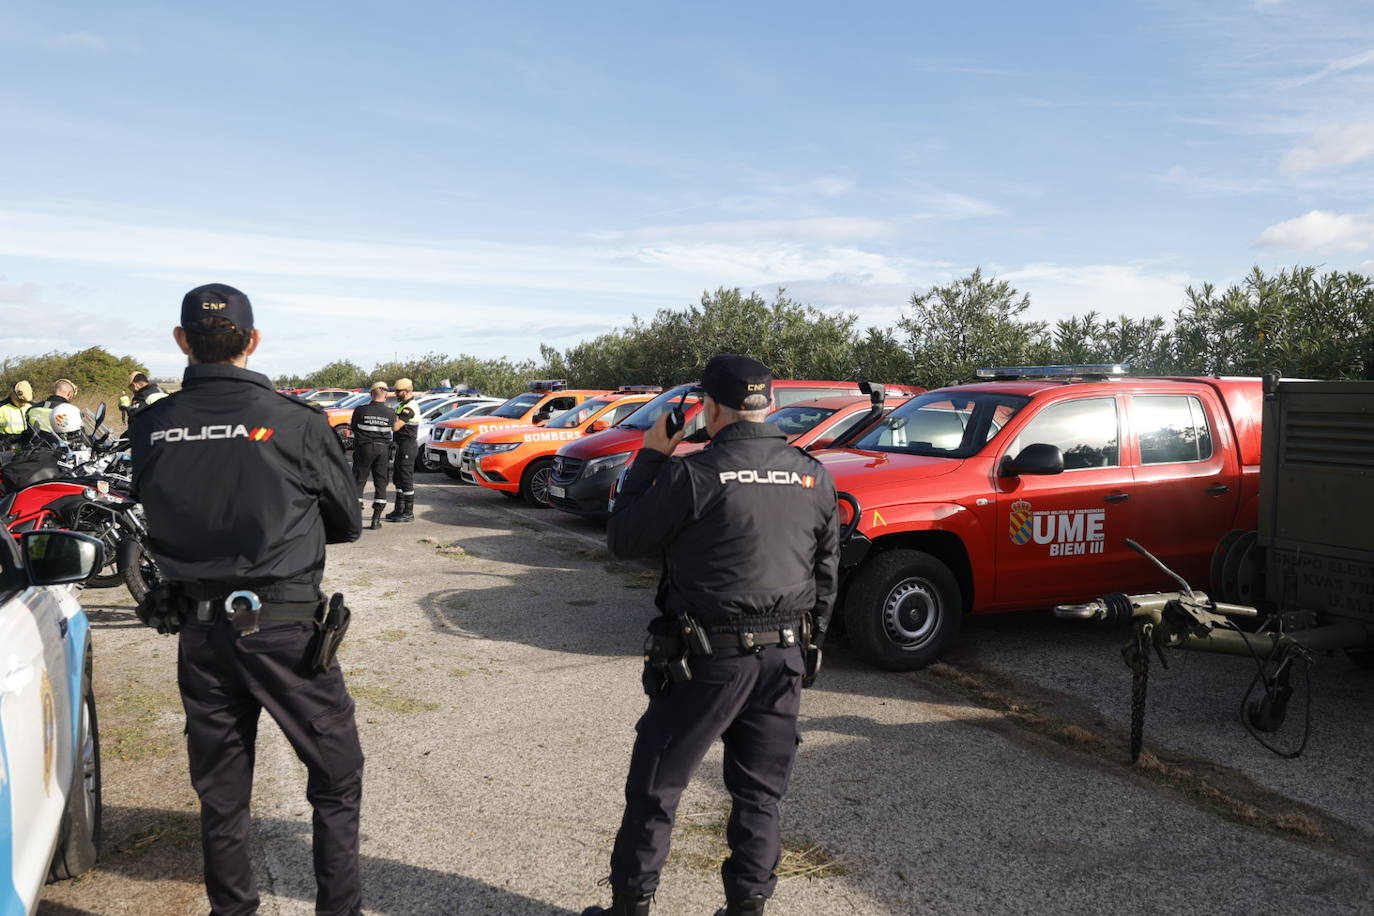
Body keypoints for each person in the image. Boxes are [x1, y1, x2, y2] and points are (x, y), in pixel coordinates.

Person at [129, 283, 364, 916]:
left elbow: (155, 511)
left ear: (182, 341)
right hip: (287, 631)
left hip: (202, 634)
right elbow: (346, 522)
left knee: (222, 794)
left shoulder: (151, 426)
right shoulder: (298, 422)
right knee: (337, 780)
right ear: (253, 339)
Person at [584, 354, 840, 916]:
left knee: (656, 785)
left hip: (708, 660)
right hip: (785, 657)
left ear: (712, 409)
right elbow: (826, 570)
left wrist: (652, 452)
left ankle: (630, 906)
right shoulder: (812, 473)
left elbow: (625, 538)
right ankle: (747, 908)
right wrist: (813, 643)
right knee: (760, 793)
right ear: (769, 404)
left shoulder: (692, 472)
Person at [351, 381, 394, 530]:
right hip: (383, 450)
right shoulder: (390, 413)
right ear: (386, 395)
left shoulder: (360, 410)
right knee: (381, 482)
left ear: (371, 394)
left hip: (364, 449)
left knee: (359, 480)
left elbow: (354, 428)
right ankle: (376, 520)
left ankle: (355, 519)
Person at [384, 377, 420, 523]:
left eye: (399, 391)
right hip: (400, 445)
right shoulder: (401, 405)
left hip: (408, 446)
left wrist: (387, 418)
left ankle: (408, 512)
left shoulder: (409, 407)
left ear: (408, 391)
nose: (396, 393)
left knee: (406, 479)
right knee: (398, 478)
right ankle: (398, 509)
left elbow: (396, 426)